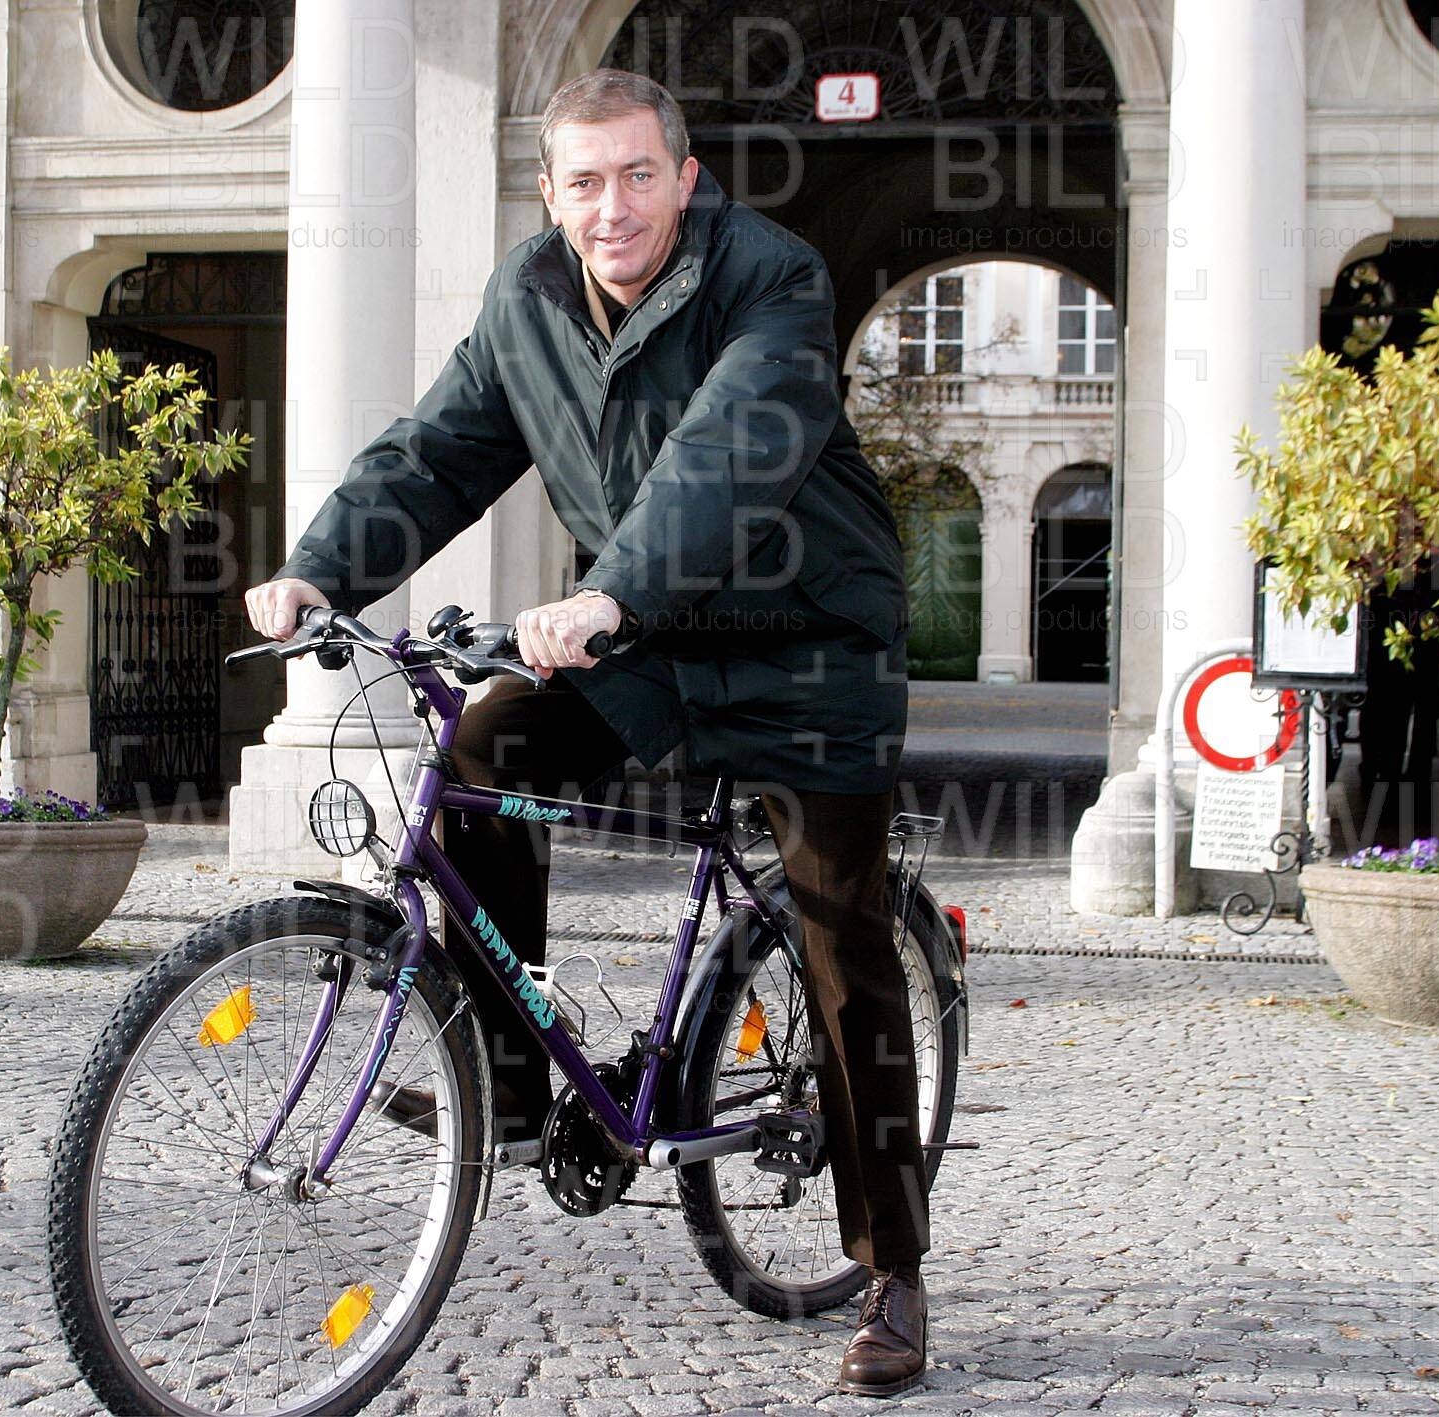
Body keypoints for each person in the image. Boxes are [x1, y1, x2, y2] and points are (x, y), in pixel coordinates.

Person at [244, 69, 929, 1396]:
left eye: (636, 176)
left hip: (806, 642)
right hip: (648, 632)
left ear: (684, 177)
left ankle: (891, 1267)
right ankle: (505, 1080)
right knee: (483, 756)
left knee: (841, 939)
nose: (611, 207)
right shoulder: (527, 298)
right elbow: (439, 448)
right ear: (550, 194)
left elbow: (729, 449)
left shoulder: (773, 279)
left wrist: (611, 592)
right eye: (583, 182)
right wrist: (323, 569)